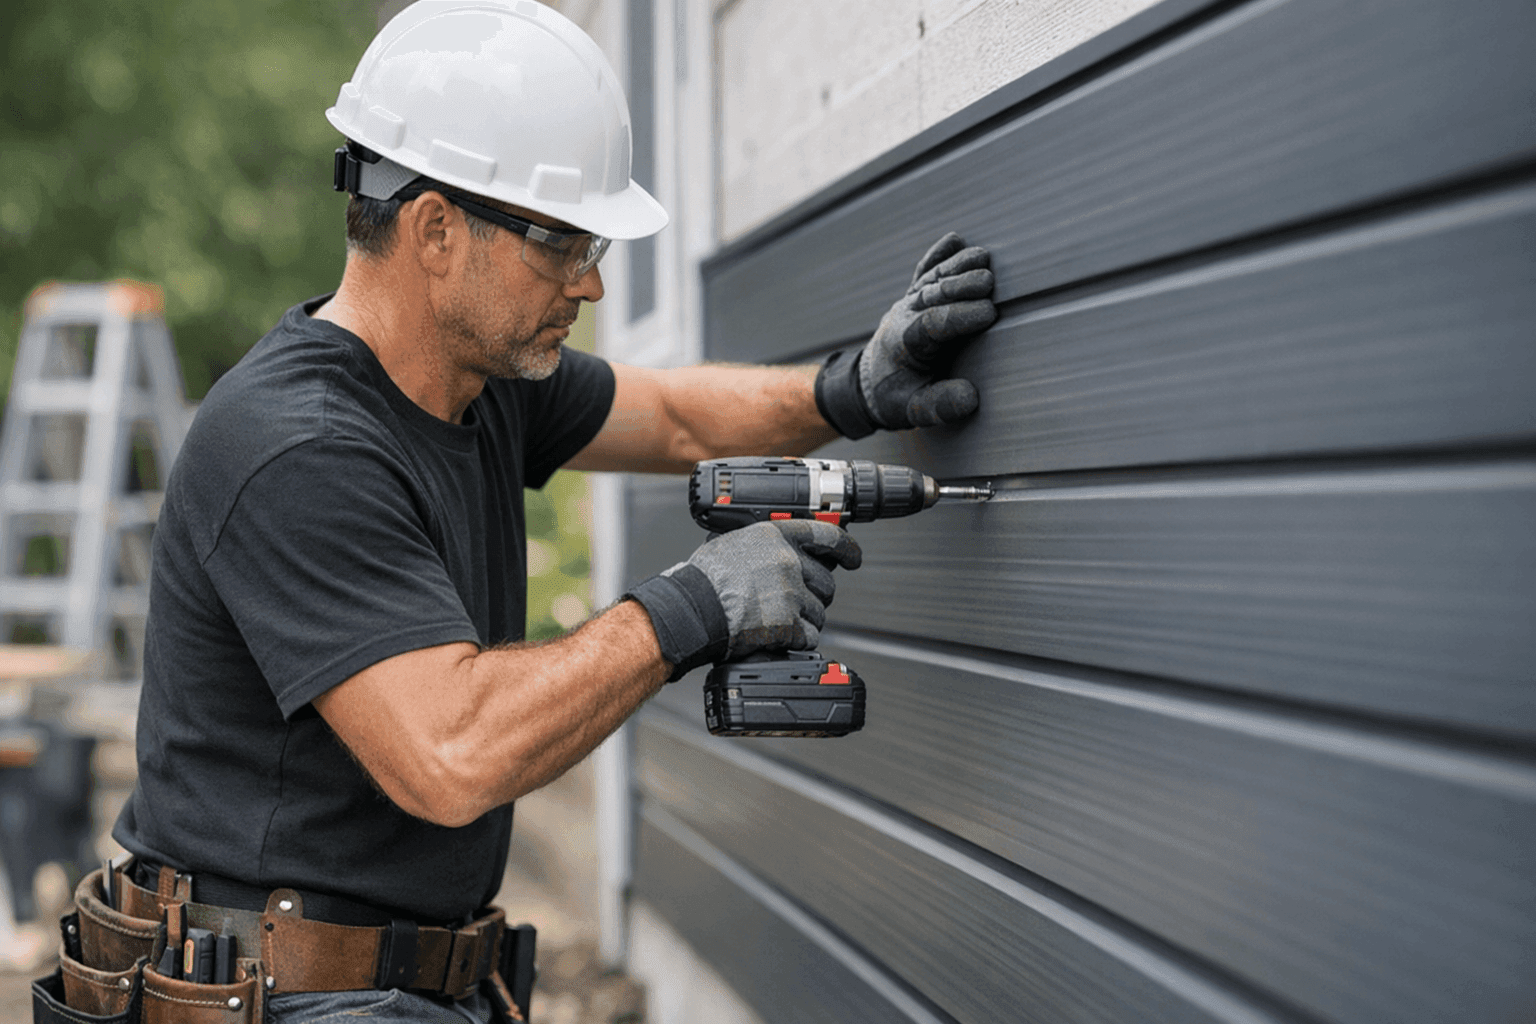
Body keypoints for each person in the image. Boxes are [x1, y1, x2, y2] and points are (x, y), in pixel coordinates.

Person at [96, 3, 997, 1022]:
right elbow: (452, 754)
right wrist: (690, 607)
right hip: (280, 996)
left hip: (398, 983)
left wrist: (849, 391)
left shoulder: (479, 379)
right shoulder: (295, 443)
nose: (596, 281)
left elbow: (669, 415)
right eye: (563, 243)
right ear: (436, 231)